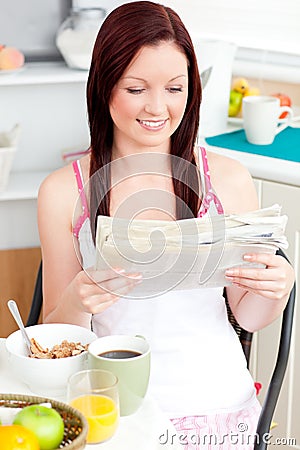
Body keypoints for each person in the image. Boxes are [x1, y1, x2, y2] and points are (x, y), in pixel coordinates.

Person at [38, 2, 295, 448]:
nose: (159, 107)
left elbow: (249, 317)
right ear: (104, 87)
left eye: (175, 88)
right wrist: (78, 300)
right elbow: (54, 334)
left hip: (219, 408)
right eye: (136, 88)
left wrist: (275, 289)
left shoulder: (228, 180)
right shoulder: (64, 192)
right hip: (113, 411)